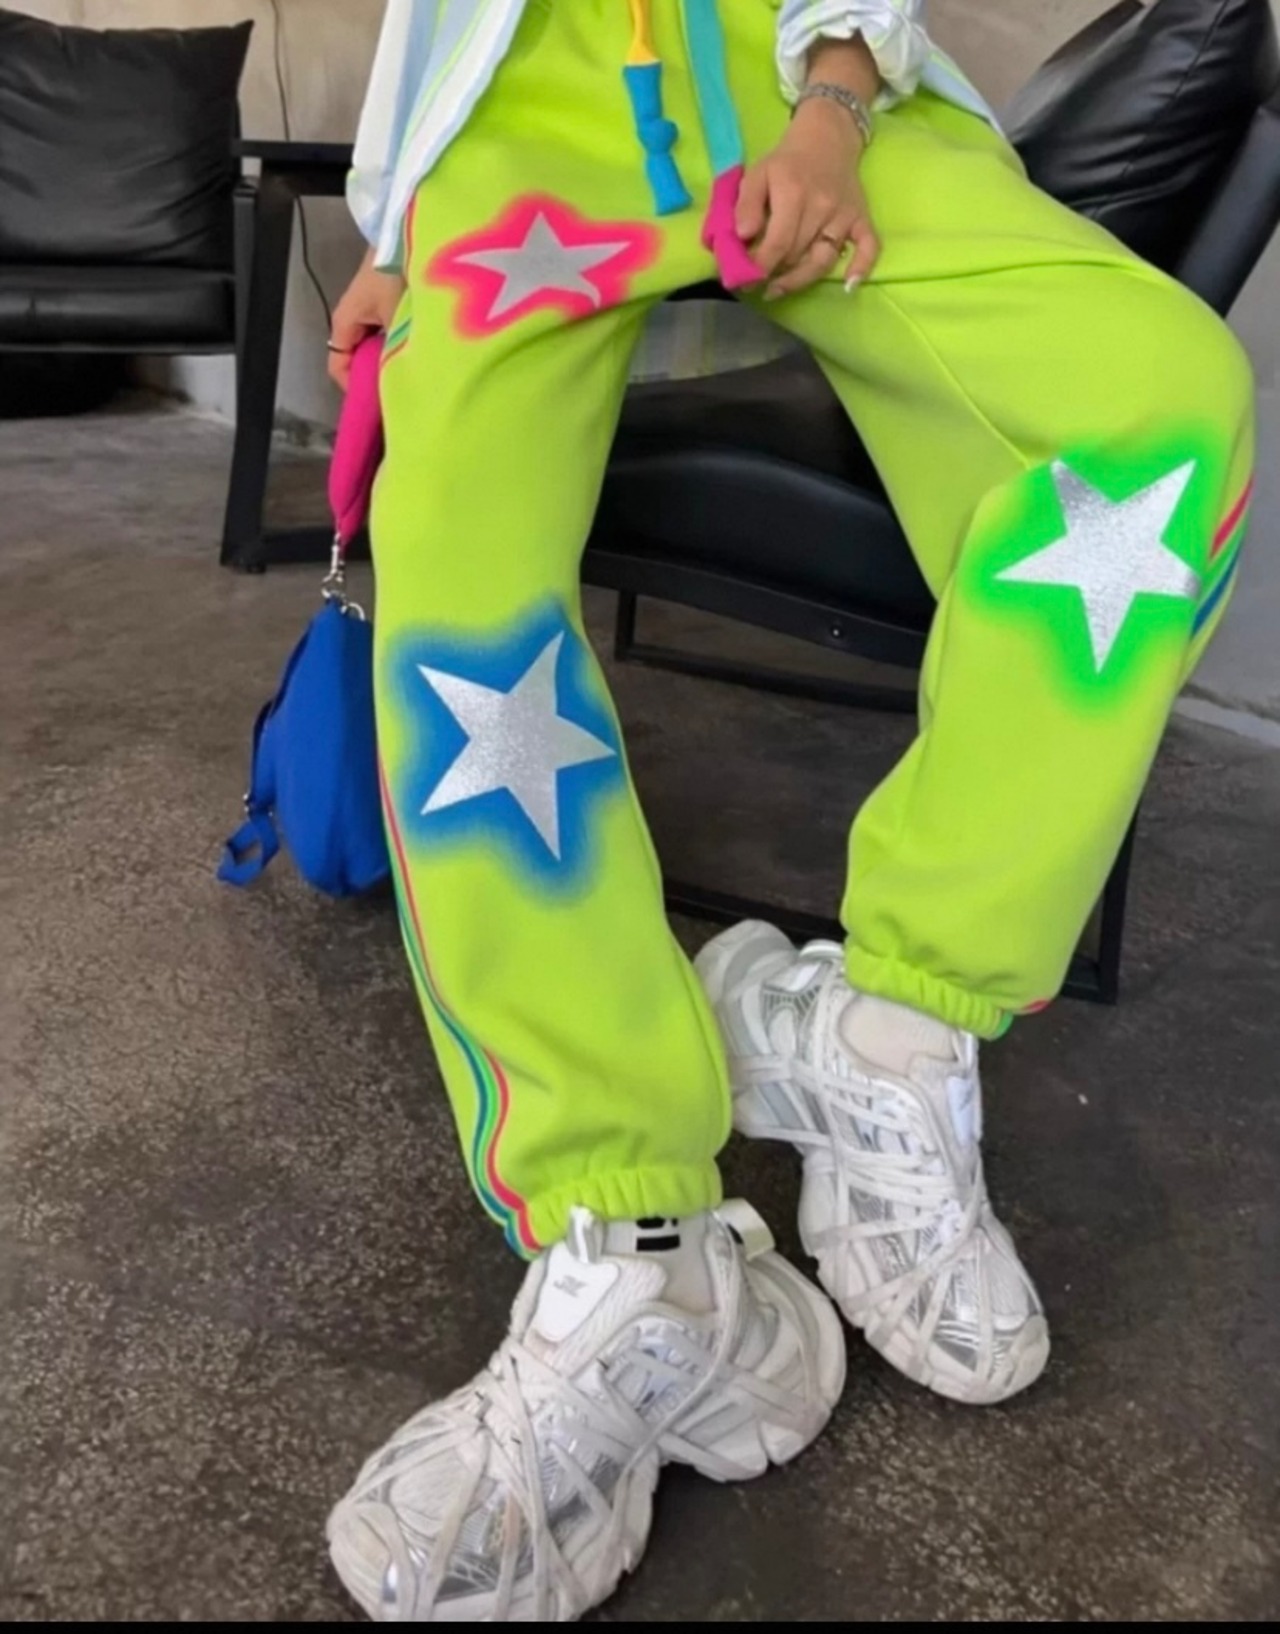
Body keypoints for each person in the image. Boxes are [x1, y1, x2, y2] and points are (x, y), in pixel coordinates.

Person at [322, 1, 1255, 1620]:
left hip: (783, 60)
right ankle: (638, 1239)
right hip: (522, 124)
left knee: (1167, 399)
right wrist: (401, 222)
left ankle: (886, 1026)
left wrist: (836, 92)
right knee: (461, 594)